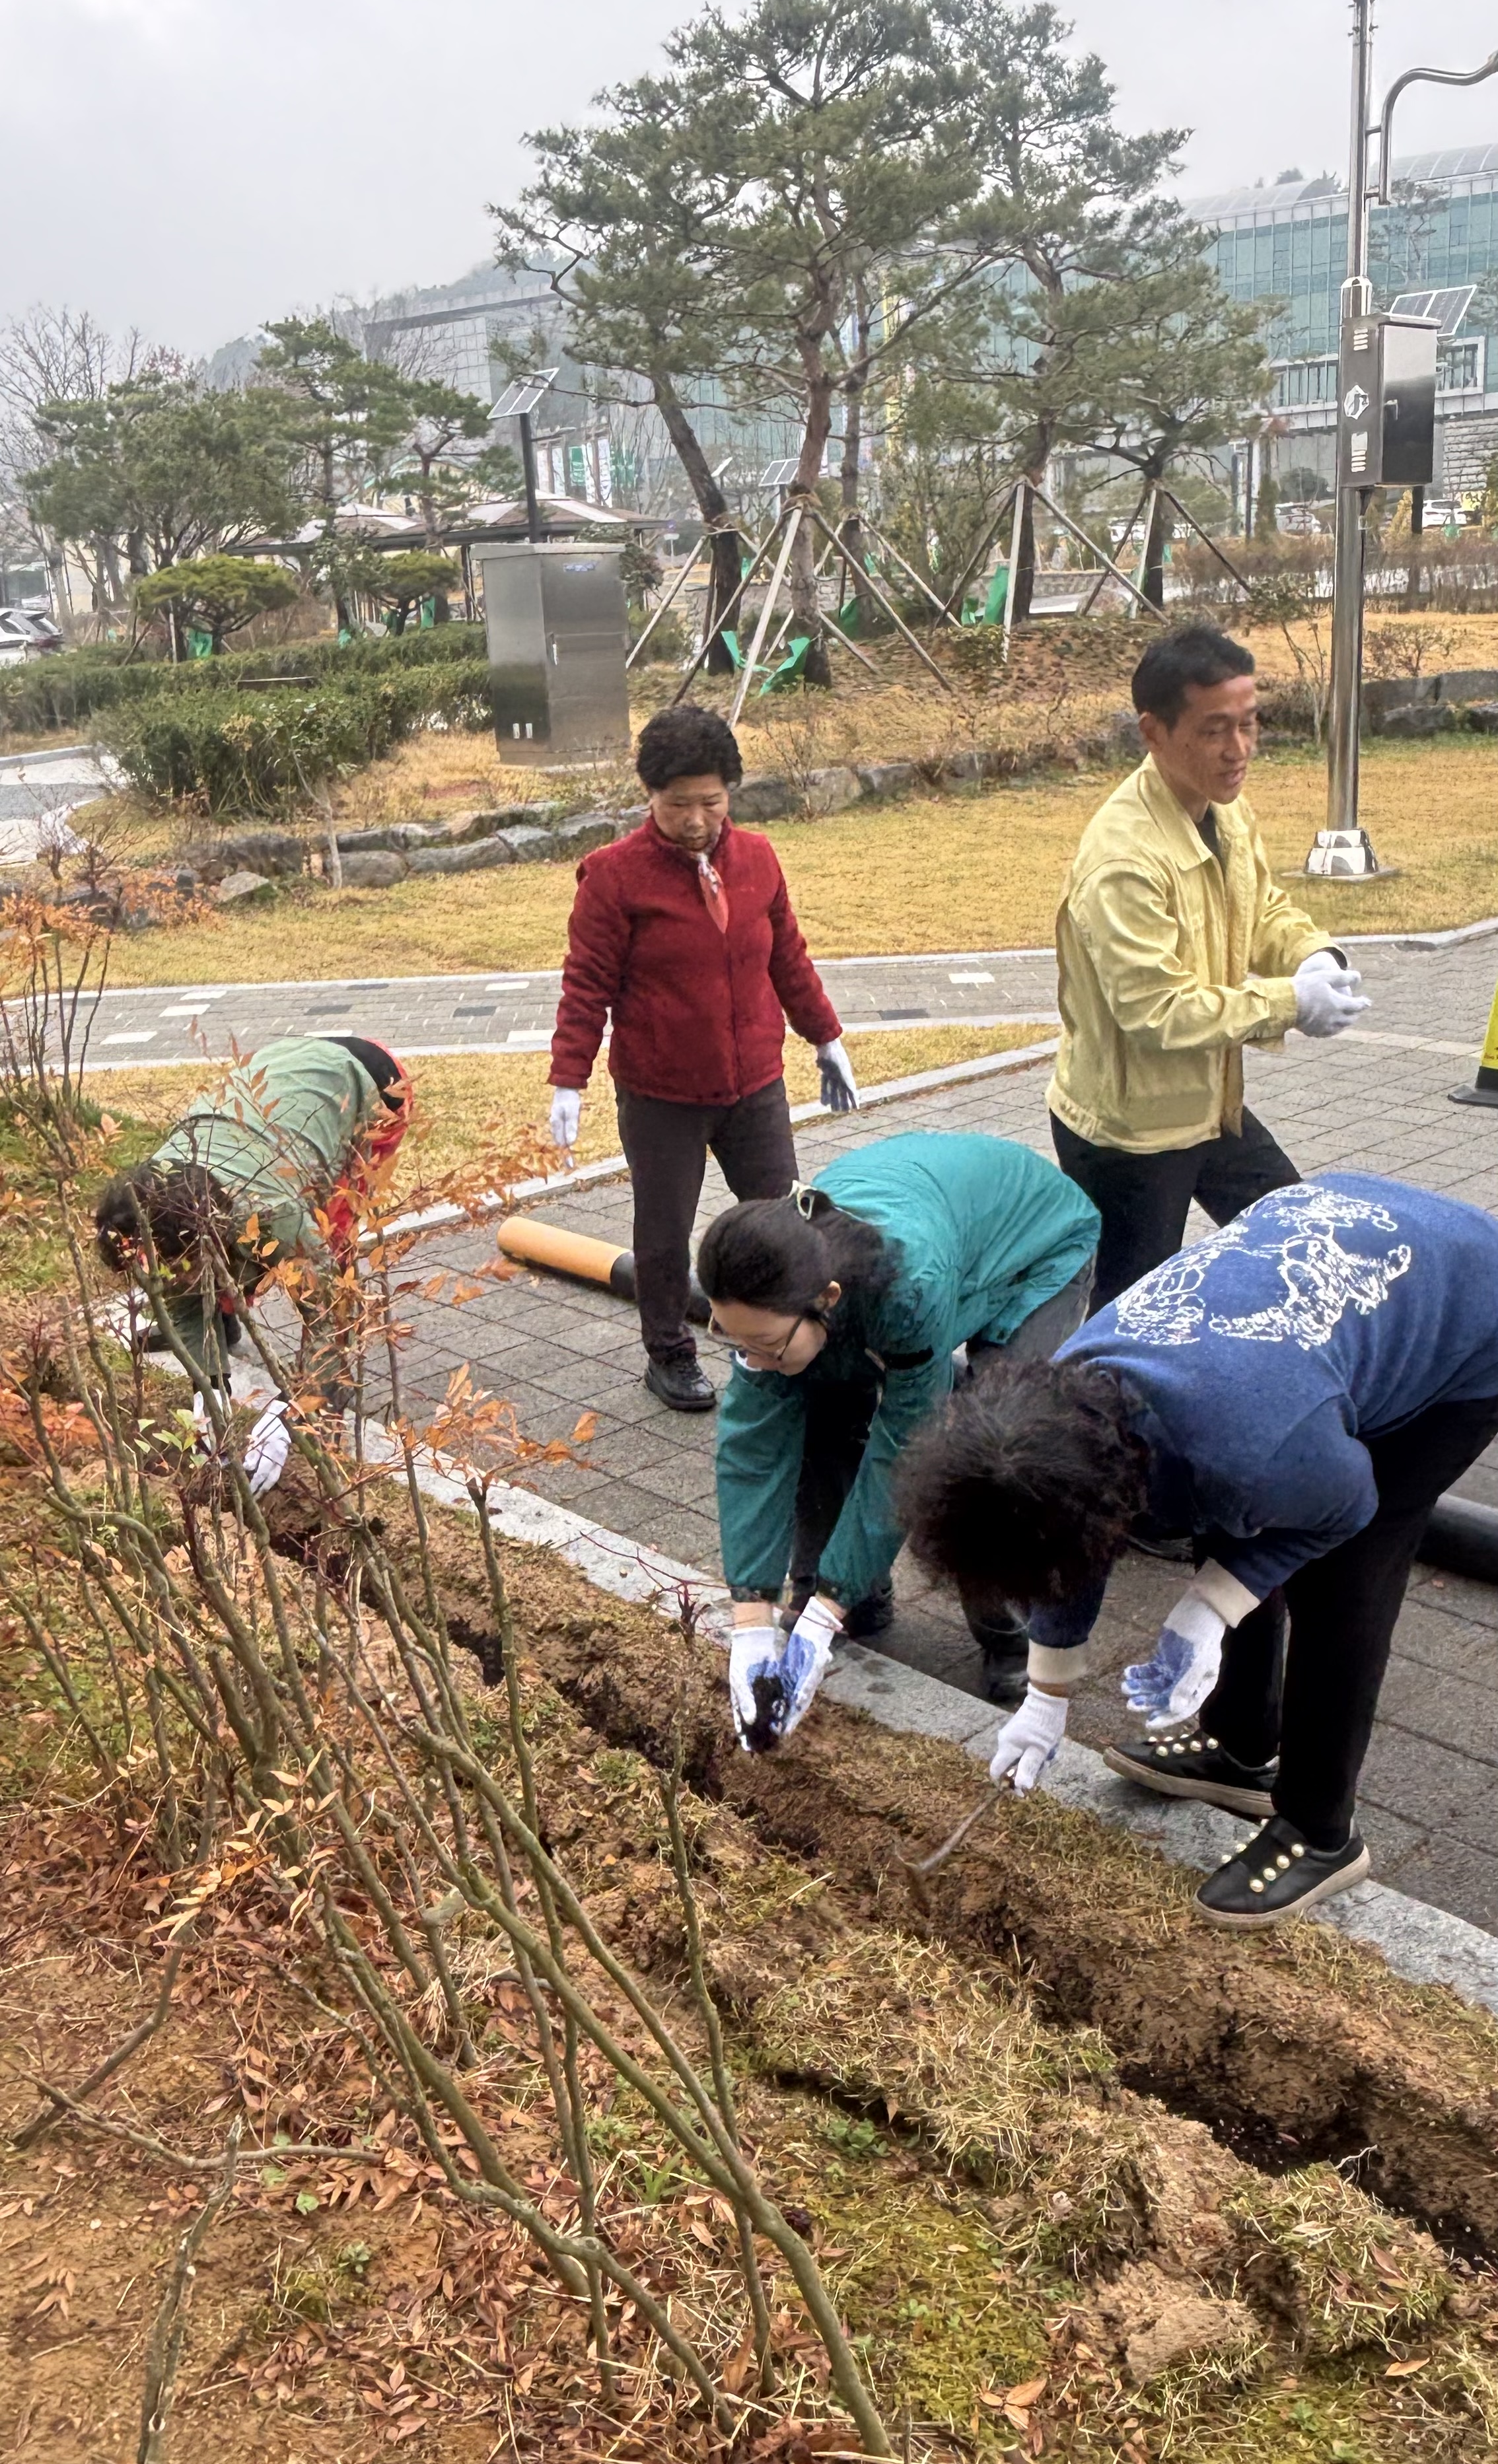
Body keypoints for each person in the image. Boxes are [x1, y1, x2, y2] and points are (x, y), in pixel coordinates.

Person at [897, 1172, 1498, 1930]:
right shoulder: (1065, 1403)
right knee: (1228, 1513)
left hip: (1467, 1315)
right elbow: (1070, 1543)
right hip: (1313, 1296)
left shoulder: (1253, 1445)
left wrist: (1212, 1605)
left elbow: (1346, 1505)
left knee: (1344, 1574)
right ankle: (1242, 1745)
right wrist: (1046, 1697)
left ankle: (1320, 1831)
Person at [698, 1131, 1100, 1744]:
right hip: (939, 1227)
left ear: (827, 1301)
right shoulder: (770, 1286)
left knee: (991, 1446)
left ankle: (1011, 1635)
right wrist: (751, 1617)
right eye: (735, 1341)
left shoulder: (908, 1291)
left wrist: (820, 1616)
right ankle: (857, 1598)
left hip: (1034, 1249)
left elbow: (904, 1452)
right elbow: (753, 1449)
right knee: (817, 1401)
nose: (751, 1358)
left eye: (765, 1344)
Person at [1049, 622, 1371, 1312]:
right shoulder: (1124, 858)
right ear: (1154, 732)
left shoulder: (1225, 812)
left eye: (1250, 725)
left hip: (1209, 1105)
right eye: (1214, 730)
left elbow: (1262, 908)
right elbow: (1156, 1012)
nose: (1239, 751)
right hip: (1129, 1132)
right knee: (1132, 1316)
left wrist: (1312, 954)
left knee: (1304, 1241)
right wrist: (1293, 1002)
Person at [547, 703, 857, 1415]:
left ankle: (793, 1336)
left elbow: (787, 958)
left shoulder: (758, 859)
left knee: (785, 1218)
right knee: (663, 1233)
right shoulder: (614, 878)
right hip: (662, 1093)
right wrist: (570, 1079)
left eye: (711, 803)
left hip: (753, 1084)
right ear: (650, 797)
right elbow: (585, 985)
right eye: (677, 804)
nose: (695, 819)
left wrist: (826, 1039)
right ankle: (670, 1352)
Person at [94, 1034, 411, 1492]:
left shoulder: (271, 1213)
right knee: (203, 1266)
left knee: (332, 1248)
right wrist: (211, 1383)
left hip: (374, 1085)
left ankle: (328, 1407)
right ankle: (222, 1325)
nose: (161, 1277)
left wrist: (293, 1412)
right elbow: (175, 1283)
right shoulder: (143, 1213)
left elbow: (334, 1312)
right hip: (287, 1071)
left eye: (171, 1267)